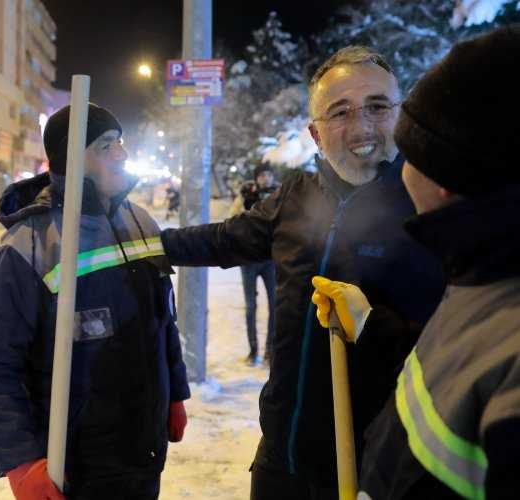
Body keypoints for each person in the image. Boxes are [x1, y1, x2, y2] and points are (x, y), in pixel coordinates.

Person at [159, 46, 445, 499]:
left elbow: (457, 350)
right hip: (284, 458)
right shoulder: (297, 196)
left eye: (377, 106)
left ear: (401, 115)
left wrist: (373, 326)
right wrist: (142, 244)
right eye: (340, 112)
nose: (362, 127)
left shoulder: (432, 203)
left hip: (384, 471)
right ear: (315, 133)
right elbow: (224, 239)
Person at [311, 26, 520, 499]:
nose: (363, 130)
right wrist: (370, 325)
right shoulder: (479, 270)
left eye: (411, 148)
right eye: (340, 112)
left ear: (442, 177)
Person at [0, 103, 191, 500]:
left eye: (120, 143)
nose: (121, 153)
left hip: (143, 452)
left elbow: (162, 319)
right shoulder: (31, 244)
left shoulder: (140, 223)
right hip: (74, 469)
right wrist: (21, 461)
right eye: (105, 146)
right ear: (71, 158)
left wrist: (174, 392)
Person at [228, 163, 279, 366]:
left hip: (271, 259)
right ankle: (253, 350)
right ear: (256, 178)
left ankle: (269, 352)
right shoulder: (246, 194)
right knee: (251, 306)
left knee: (275, 305)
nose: (265, 178)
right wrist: (245, 206)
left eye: (268, 174)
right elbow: (231, 220)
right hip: (248, 259)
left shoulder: (279, 194)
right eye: (262, 175)